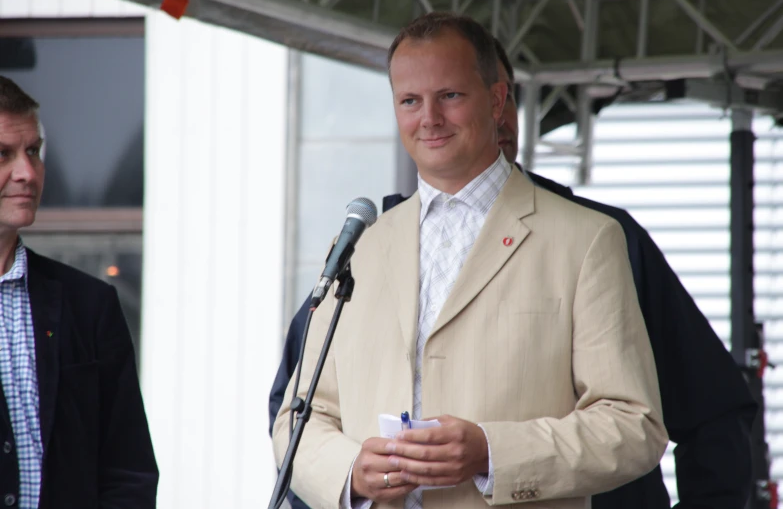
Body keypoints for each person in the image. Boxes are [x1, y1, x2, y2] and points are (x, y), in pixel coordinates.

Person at [270, 33, 756, 509]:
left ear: (498, 99)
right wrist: (349, 471)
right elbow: (298, 415)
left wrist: (492, 453)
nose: (430, 118)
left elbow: (636, 425)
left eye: (451, 96)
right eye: (410, 101)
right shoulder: (360, 244)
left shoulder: (590, 238)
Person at [0, 76, 158, 508]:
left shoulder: (90, 306)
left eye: (33, 151)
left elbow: (129, 471)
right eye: (4, 154)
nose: (27, 173)